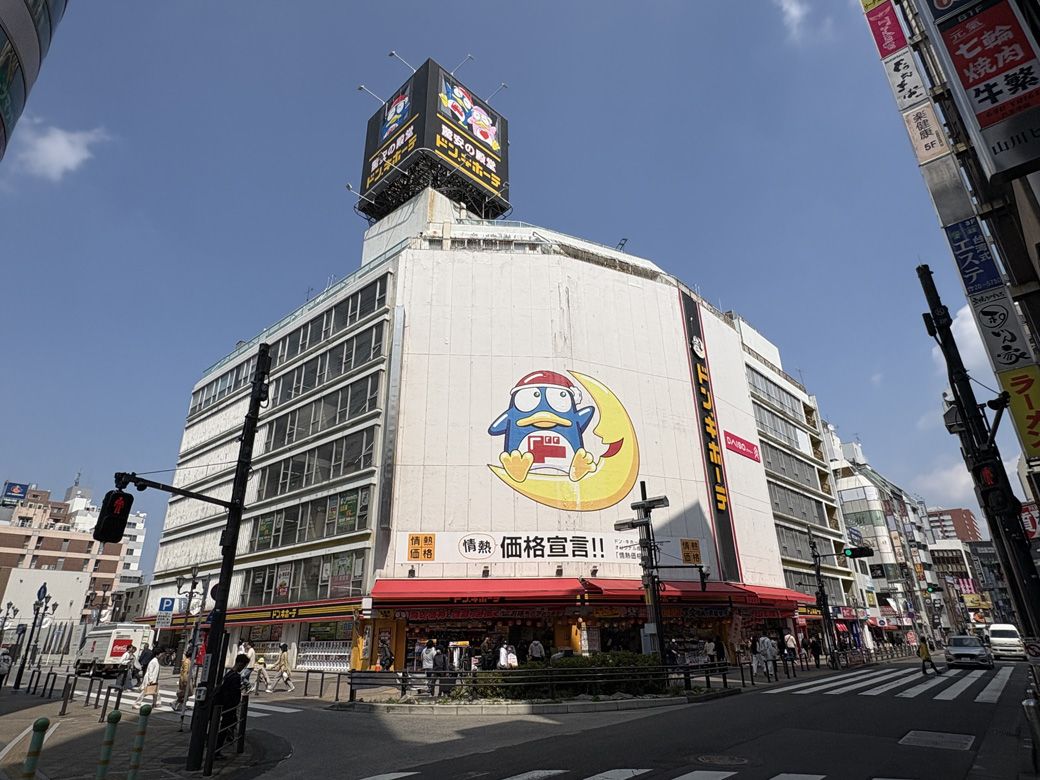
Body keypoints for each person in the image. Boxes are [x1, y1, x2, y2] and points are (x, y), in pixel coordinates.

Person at [212, 654, 249, 759]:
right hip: (229, 705)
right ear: (240, 664)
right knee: (225, 726)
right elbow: (234, 692)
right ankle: (217, 750)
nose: (243, 668)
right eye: (244, 665)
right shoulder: (236, 676)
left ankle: (218, 745)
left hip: (222, 703)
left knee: (225, 725)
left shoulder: (228, 674)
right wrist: (241, 688)